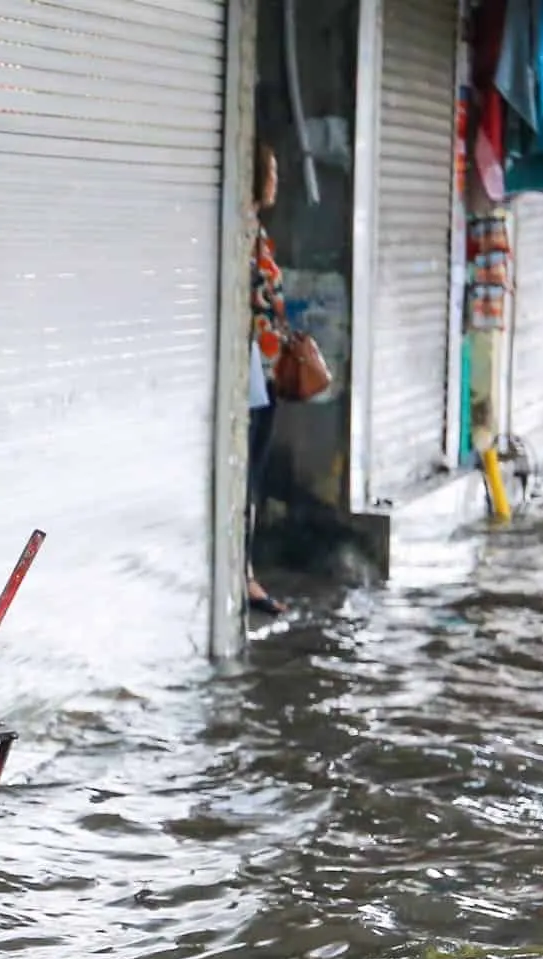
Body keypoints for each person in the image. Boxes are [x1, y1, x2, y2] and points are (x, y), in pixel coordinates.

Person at [247, 143, 290, 618]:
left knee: (254, 479)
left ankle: (247, 572)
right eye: (271, 171)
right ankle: (245, 576)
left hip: (264, 372)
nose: (276, 179)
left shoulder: (256, 230)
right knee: (248, 479)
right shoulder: (246, 232)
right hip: (253, 375)